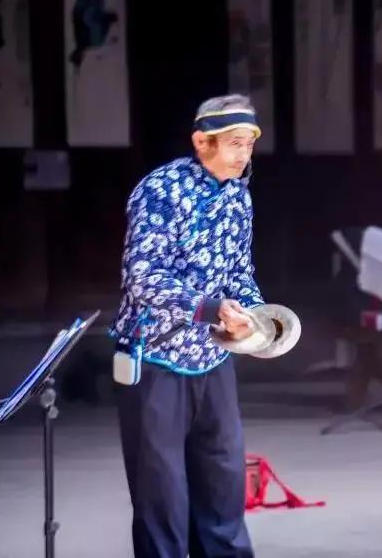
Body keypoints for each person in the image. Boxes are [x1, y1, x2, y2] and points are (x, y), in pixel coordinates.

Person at [111, 94, 264, 558]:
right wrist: (209, 309)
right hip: (155, 358)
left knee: (223, 482)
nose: (243, 155)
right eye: (234, 144)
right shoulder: (160, 189)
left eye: (249, 145)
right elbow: (143, 276)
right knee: (162, 492)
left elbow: (240, 272)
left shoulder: (238, 195)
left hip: (213, 357)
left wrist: (254, 316)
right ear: (202, 142)